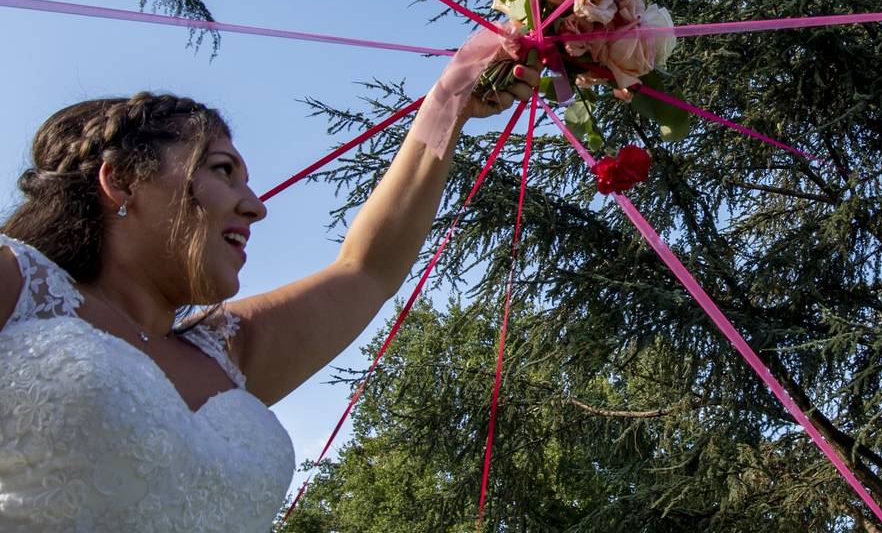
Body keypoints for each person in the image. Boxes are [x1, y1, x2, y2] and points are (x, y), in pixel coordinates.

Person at [0, 46, 542, 532]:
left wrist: (449, 100)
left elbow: (367, 271)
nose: (256, 205)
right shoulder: (15, 282)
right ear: (122, 180)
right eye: (222, 170)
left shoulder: (226, 355)